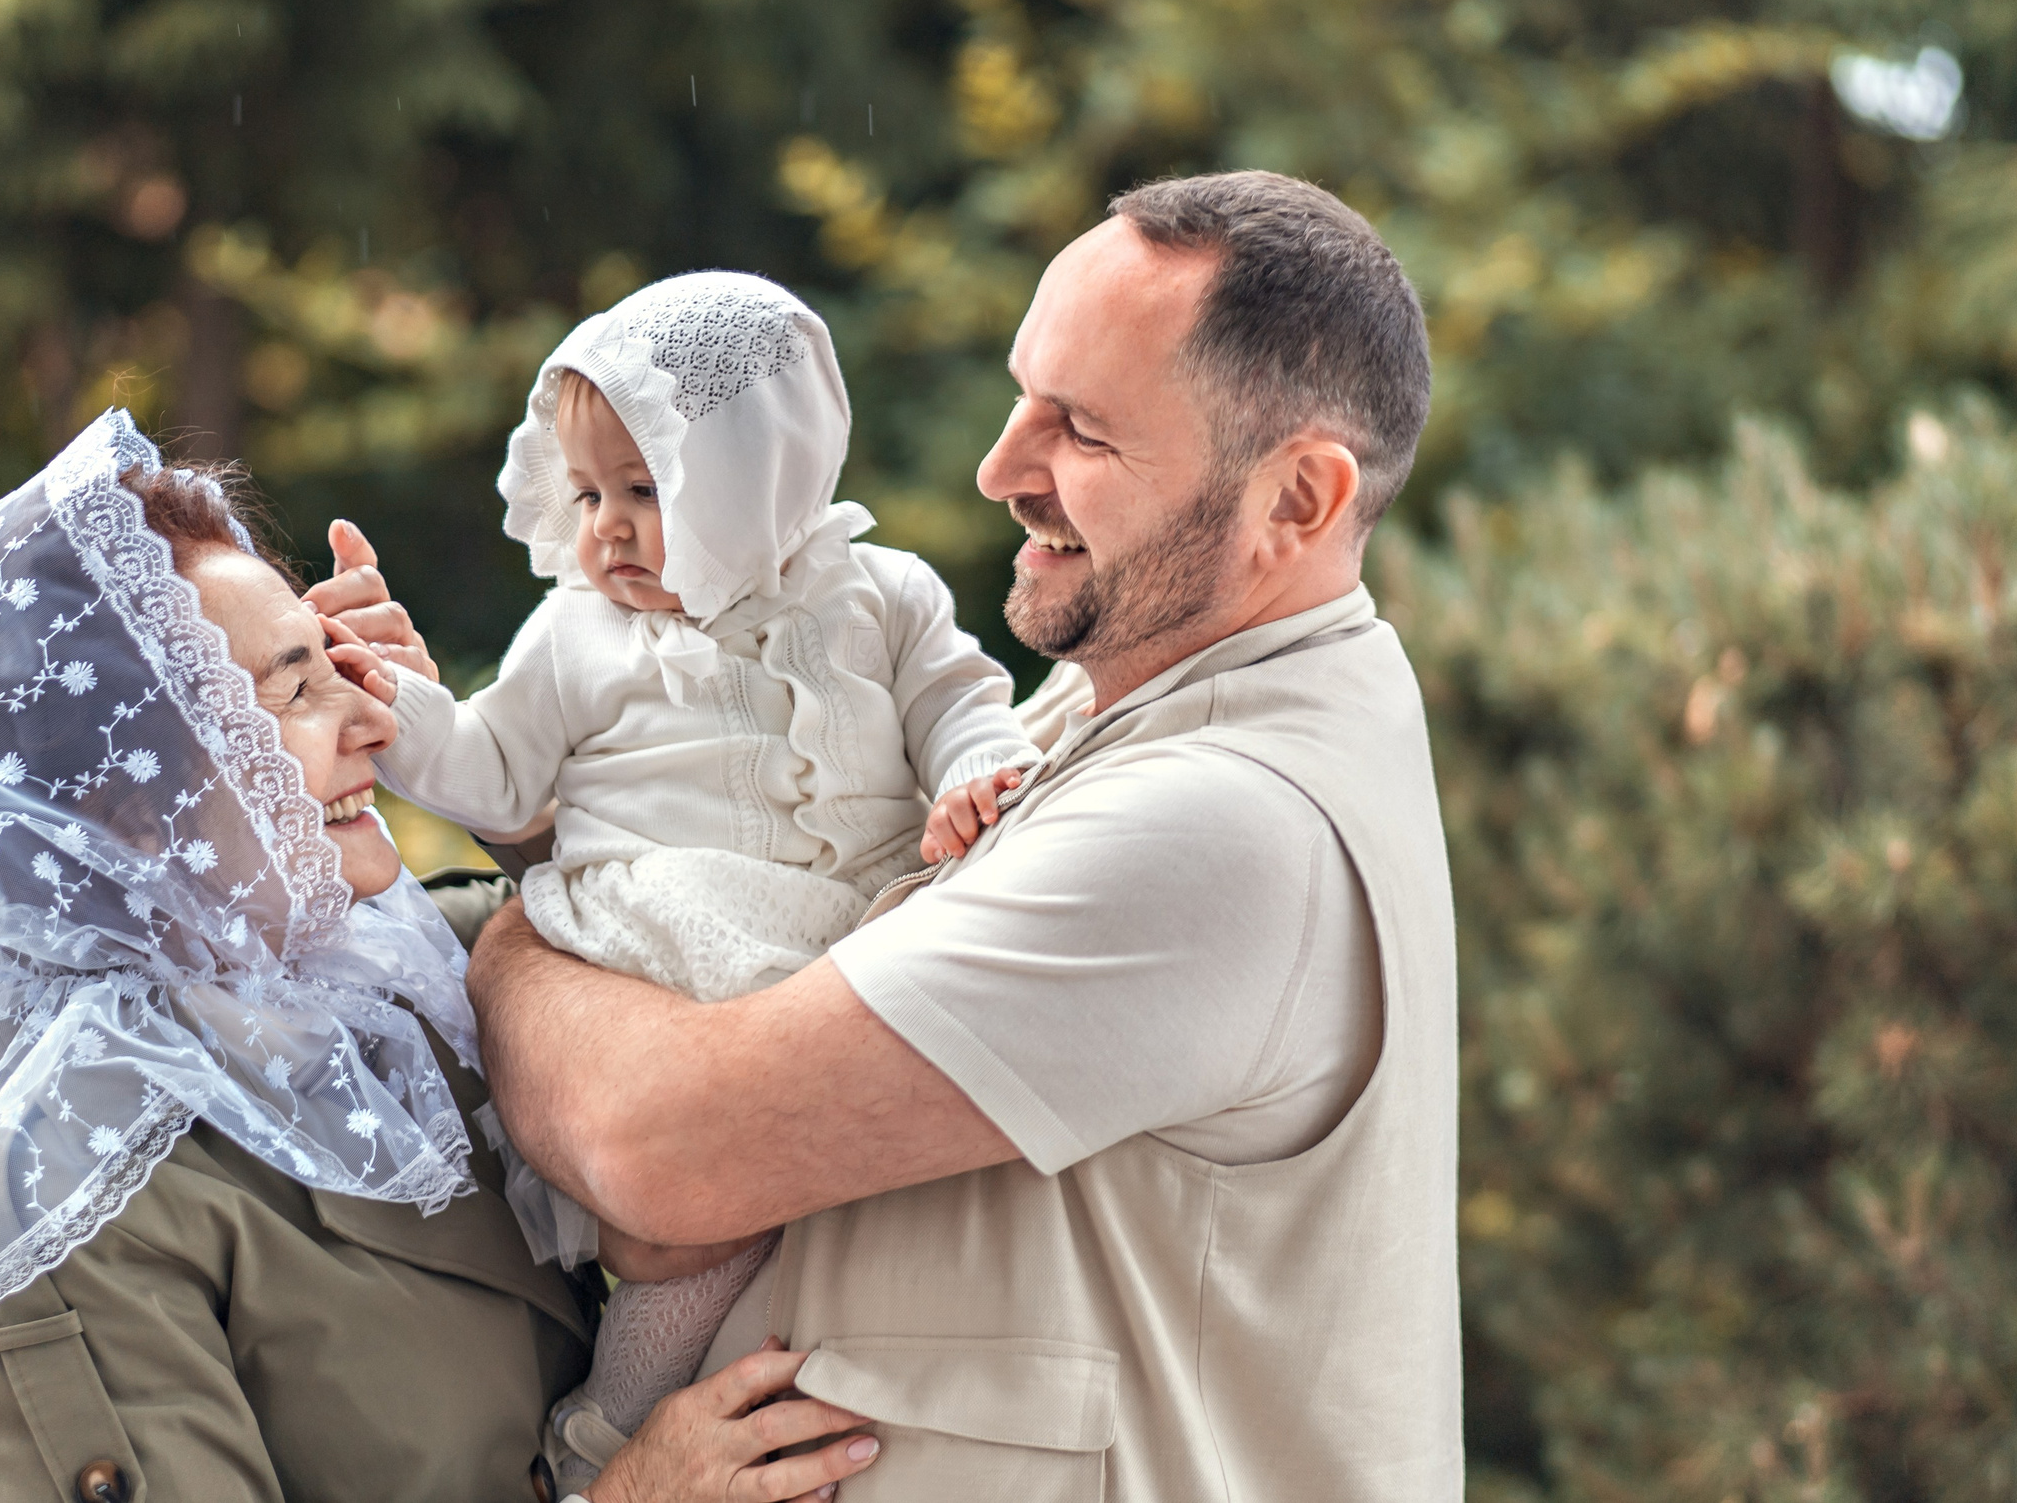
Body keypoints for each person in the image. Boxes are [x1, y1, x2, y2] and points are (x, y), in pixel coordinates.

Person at [326, 170, 1462, 1501]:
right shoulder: (1118, 708)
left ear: (1298, 501)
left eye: (1083, 430)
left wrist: (524, 928)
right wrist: (540, 795)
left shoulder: (1221, 822)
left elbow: (657, 1145)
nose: (999, 468)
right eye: (1022, 391)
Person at [0, 410, 881, 1503]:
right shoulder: (41, 1198)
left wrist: (500, 763)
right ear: (125, 806)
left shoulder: (416, 972)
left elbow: (718, 933)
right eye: (293, 690)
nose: (367, 720)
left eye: (334, 665)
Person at [351, 271, 1037, 1489]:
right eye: (586, 495)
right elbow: (495, 775)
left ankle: (789, 1414)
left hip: (845, 933)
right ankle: (607, 1442)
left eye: (643, 490)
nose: (604, 527)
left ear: (757, 478)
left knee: (822, 1224)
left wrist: (976, 773)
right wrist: (394, 703)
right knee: (676, 1248)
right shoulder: (575, 633)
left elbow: (961, 705)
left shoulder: (883, 595)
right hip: (665, 944)